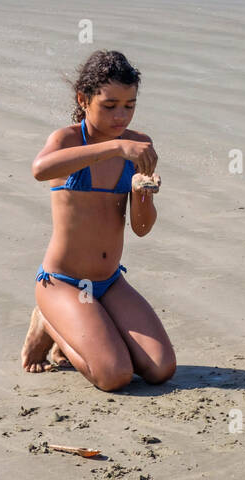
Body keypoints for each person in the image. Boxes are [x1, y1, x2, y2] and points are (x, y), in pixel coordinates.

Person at [21, 50, 176, 390]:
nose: (121, 115)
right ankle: (48, 321)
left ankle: (89, 327)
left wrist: (141, 193)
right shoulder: (68, 140)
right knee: (114, 375)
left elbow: (142, 227)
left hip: (109, 282)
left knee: (161, 369)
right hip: (63, 282)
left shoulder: (138, 146)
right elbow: (39, 170)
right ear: (83, 99)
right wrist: (116, 148)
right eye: (110, 106)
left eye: (129, 105)